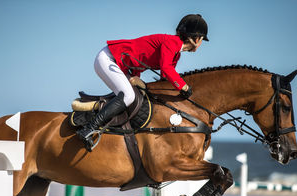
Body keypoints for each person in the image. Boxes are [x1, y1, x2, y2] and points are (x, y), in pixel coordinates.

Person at [76, 14, 209, 151]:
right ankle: (88, 128)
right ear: (197, 38)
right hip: (109, 59)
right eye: (202, 40)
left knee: (138, 94)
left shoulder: (176, 53)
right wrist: (184, 86)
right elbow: (166, 68)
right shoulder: (172, 42)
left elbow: (164, 78)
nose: (200, 43)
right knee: (128, 96)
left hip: (121, 65)